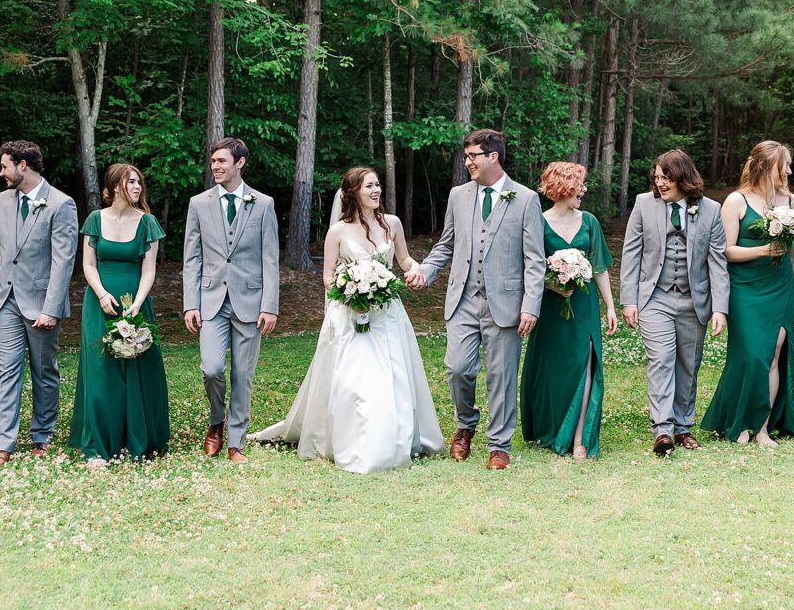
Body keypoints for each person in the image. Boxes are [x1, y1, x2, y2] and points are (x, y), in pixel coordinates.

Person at [251, 164, 443, 472]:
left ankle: (393, 437)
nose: (376, 190)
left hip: (387, 315)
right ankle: (351, 441)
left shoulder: (391, 223)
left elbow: (404, 258)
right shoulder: (338, 231)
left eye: (377, 185)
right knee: (354, 380)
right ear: (352, 192)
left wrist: (415, 269)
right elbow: (328, 278)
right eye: (368, 186)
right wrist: (353, 296)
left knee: (392, 376)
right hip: (349, 315)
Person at [411, 128, 546, 472]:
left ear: (493, 157)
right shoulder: (458, 195)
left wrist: (531, 305)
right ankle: (465, 424)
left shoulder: (526, 198)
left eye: (473, 156)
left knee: (501, 376)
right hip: (463, 300)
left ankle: (499, 445)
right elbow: (447, 243)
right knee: (458, 368)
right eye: (467, 156)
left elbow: (535, 259)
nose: (467, 162)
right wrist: (427, 270)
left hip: (506, 304)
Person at [0, 138, 79, 463]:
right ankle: (3, 445)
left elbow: (63, 261)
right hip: (4, 301)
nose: (0, 172)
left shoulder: (61, 204)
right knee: (6, 370)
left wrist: (51, 308)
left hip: (40, 304)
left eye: (4, 165)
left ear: (23, 165)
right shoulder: (2, 201)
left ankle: (42, 435)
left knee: (44, 371)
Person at [619, 149, 728, 456]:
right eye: (656, 177)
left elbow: (717, 261)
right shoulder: (644, 204)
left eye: (666, 177)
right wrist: (629, 300)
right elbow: (631, 254)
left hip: (695, 301)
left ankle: (683, 427)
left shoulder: (710, 210)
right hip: (656, 298)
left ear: (683, 177)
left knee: (688, 366)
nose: (660, 183)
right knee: (661, 360)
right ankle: (663, 430)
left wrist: (720, 307)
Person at [182, 136, 280, 462]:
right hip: (210, 300)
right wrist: (190, 303)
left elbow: (270, 259)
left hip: (251, 303)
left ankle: (236, 441)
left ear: (240, 163)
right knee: (211, 368)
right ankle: (216, 422)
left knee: (243, 374)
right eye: (213, 162)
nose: (215, 168)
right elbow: (191, 258)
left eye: (222, 162)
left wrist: (270, 306)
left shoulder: (263, 204)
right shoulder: (199, 204)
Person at [701, 140, 794, 445]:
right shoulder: (736, 201)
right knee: (749, 355)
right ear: (764, 166)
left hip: (780, 286)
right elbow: (726, 251)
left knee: (772, 355)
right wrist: (762, 250)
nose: (789, 170)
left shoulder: (793, 203)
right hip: (744, 288)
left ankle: (761, 427)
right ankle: (739, 422)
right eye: (784, 164)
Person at [69, 161, 170, 463]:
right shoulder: (95, 220)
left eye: (139, 182)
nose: (138, 187)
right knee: (101, 370)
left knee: (135, 369)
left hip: (134, 301)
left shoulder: (147, 223)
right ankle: (99, 445)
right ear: (115, 187)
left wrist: (137, 304)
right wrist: (101, 294)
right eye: (131, 182)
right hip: (99, 302)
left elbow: (149, 269)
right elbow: (88, 264)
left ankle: (137, 439)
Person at [518, 160, 617, 460]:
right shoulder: (539, 221)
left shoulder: (589, 222)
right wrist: (551, 285)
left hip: (583, 306)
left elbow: (599, 267)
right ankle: (552, 428)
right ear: (562, 187)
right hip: (550, 307)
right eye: (579, 184)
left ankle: (579, 439)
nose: (584, 190)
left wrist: (611, 306)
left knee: (586, 364)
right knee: (553, 370)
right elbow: (529, 265)